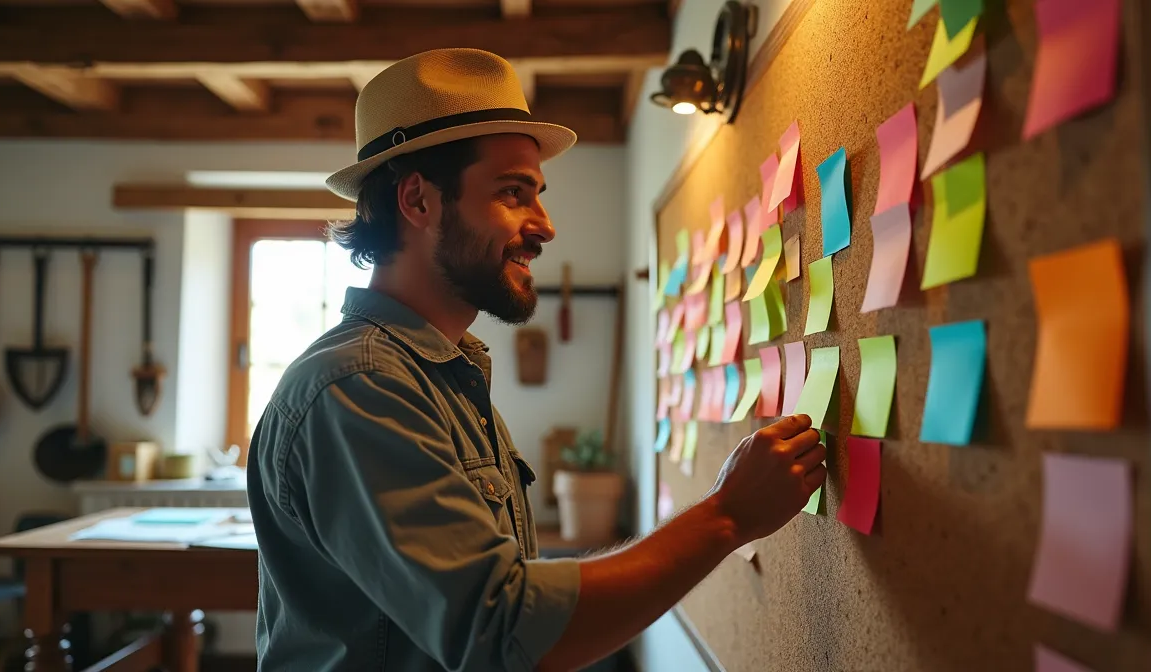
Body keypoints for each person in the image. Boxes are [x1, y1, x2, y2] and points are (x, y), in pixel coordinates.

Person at [246, 47, 827, 672]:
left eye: (537, 194)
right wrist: (727, 515)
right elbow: (502, 628)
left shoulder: (444, 374)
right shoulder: (359, 386)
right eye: (512, 192)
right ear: (417, 201)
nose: (545, 225)